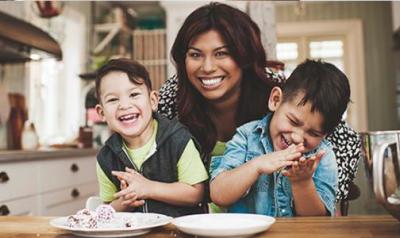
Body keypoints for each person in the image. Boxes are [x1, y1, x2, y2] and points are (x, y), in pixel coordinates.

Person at [158, 2, 360, 206]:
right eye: (195, 54)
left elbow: (347, 139)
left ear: (244, 55)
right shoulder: (174, 93)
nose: (208, 67)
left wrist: (326, 195)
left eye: (221, 53)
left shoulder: (276, 87)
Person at [209, 59, 350, 216]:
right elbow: (218, 194)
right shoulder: (247, 137)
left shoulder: (322, 155)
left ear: (325, 134)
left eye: (313, 133)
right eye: (293, 121)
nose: (297, 137)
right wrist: (256, 165)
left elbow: (318, 222)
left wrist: (302, 183)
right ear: (275, 100)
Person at [94, 58, 208, 217]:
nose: (125, 105)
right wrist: (125, 200)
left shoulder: (178, 139)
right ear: (102, 113)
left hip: (177, 233)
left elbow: (196, 193)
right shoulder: (106, 157)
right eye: (113, 99)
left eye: (134, 94)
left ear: (153, 100)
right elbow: (109, 207)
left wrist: (148, 188)